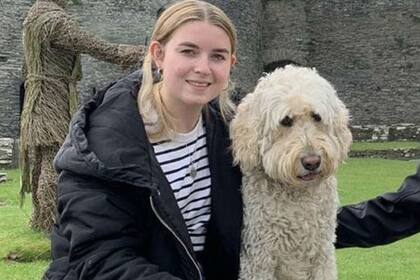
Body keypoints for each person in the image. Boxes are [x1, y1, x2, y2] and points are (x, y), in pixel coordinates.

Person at [43, 1, 420, 279]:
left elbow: (296, 223)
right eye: (188, 51)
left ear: (231, 65)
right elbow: (101, 259)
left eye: (217, 56)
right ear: (158, 54)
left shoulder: (233, 129)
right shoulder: (101, 145)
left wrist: (409, 205)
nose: (203, 68)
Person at [20, 0, 145, 233]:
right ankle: (49, 220)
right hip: (52, 95)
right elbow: (93, 45)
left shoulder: (33, 16)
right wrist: (135, 53)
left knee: (43, 156)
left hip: (38, 95)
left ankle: (42, 218)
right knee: (53, 157)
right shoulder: (54, 20)